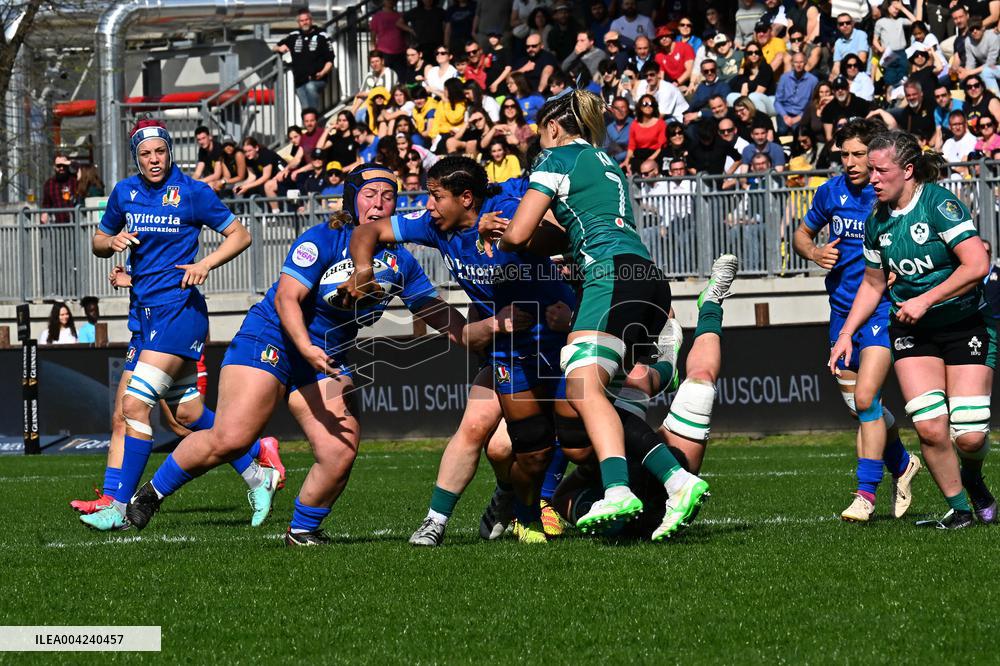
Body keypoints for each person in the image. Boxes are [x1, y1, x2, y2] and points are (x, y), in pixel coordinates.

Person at [124, 164, 476, 543]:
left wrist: (481, 333)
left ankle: (303, 530)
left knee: (340, 451)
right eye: (370, 195)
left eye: (388, 197)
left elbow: (437, 313)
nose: (379, 205)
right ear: (352, 200)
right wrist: (305, 347)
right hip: (271, 338)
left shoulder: (401, 262)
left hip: (325, 356)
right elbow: (287, 298)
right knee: (232, 438)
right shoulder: (323, 238)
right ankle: (149, 495)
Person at [486, 89, 713, 539]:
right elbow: (564, 232)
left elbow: (518, 235)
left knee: (582, 383)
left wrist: (498, 230)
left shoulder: (553, 159)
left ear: (552, 128)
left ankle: (618, 489)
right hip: (644, 274)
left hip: (608, 275)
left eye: (540, 135)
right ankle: (677, 480)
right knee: (587, 395)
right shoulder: (605, 161)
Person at [342, 157, 578, 544]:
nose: (428, 205)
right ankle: (437, 522)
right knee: (483, 434)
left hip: (555, 339)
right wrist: (363, 270)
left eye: (435, 197)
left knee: (527, 446)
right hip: (507, 350)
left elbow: (560, 236)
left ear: (466, 198)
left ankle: (545, 499)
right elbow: (367, 232)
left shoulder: (504, 211)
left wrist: (510, 233)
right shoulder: (433, 225)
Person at [82, 119, 253, 531]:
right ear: (136, 158)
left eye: (160, 151)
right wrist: (112, 243)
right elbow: (98, 242)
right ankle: (257, 468)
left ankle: (118, 507)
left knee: (133, 407)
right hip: (144, 315)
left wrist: (205, 263)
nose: (154, 159)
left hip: (179, 312)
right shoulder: (125, 192)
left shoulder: (193, 192)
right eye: (146, 154)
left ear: (170, 152)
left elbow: (240, 235)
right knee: (188, 413)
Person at [829, 130, 996, 529]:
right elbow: (873, 284)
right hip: (912, 332)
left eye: (879, 170)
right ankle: (959, 509)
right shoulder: (876, 221)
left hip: (964, 324)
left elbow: (976, 265)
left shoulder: (939, 205)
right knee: (929, 426)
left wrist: (926, 300)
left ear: (907, 170)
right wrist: (846, 333)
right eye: (870, 170)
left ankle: (973, 477)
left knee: (970, 435)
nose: (872, 178)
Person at [552, 262, 739, 538]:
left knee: (608, 390)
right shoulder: (657, 511)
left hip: (621, 452)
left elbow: (560, 498)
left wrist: (591, 469)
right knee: (700, 384)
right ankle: (712, 302)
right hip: (668, 466)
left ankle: (664, 362)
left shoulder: (604, 508)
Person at [794, 118, 921, 522]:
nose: (850, 162)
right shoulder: (830, 192)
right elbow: (801, 235)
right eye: (844, 154)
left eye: (858, 154)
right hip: (841, 311)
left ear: (875, 154)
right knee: (861, 407)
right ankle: (902, 463)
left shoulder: (886, 194)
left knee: (866, 399)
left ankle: (865, 494)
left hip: (881, 309)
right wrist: (814, 252)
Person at [274, 8, 334, 111]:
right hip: (299, 81)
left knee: (310, 91)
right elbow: (274, 47)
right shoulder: (293, 36)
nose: (304, 22)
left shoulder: (322, 36)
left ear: (311, 20)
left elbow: (330, 60)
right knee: (305, 109)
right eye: (302, 21)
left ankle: (313, 118)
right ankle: (311, 119)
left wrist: (322, 73)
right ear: (298, 23)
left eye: (306, 20)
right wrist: (279, 48)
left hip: (316, 80)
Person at [774, 51, 818, 134]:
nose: (798, 65)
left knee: (797, 131)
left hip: (801, 114)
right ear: (792, 63)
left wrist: (799, 117)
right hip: (785, 112)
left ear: (805, 63)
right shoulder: (784, 78)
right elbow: (777, 101)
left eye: (801, 62)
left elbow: (813, 102)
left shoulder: (813, 80)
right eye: (796, 62)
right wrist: (785, 116)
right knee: (782, 130)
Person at [625, 93, 667, 175]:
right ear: (640, 107)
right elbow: (631, 146)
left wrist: (649, 160)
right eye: (645, 104)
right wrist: (627, 160)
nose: (648, 106)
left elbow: (661, 147)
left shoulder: (661, 123)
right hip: (639, 156)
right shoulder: (634, 124)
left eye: (651, 104)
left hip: (655, 155)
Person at [370, 0, 407, 74]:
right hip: (383, 53)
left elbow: (405, 35)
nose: (391, 1)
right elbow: (373, 38)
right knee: (384, 76)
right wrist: (374, 54)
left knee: (401, 77)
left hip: (400, 53)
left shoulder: (401, 16)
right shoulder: (377, 16)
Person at [40, 154, 77, 224]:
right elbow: (46, 205)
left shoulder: (74, 180)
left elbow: (82, 171)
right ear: (54, 167)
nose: (61, 168)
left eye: (64, 165)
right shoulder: (49, 184)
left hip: (76, 224)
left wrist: (71, 163)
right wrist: (44, 216)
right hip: (58, 225)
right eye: (59, 166)